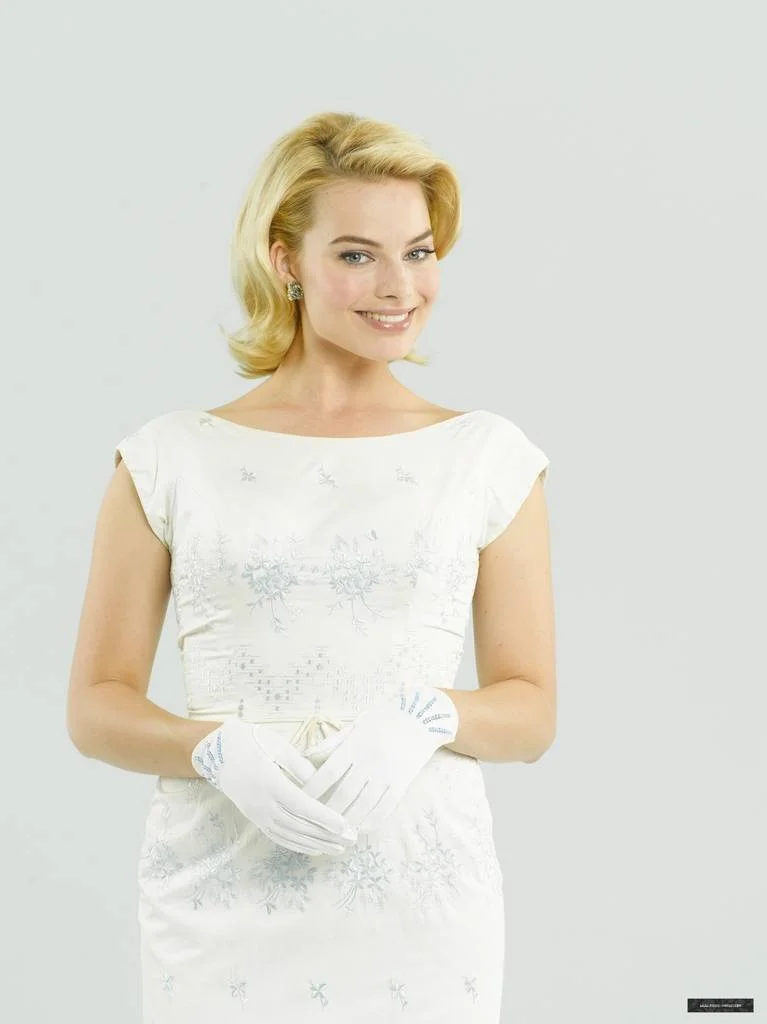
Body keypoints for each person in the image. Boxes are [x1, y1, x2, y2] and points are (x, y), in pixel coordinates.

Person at [67, 110, 556, 1023]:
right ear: (283, 259)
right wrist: (211, 748)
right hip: (219, 901)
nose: (399, 286)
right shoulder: (170, 457)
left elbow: (530, 712)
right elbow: (96, 708)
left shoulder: (486, 456)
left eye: (418, 251)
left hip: (420, 904)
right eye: (357, 255)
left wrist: (427, 715)